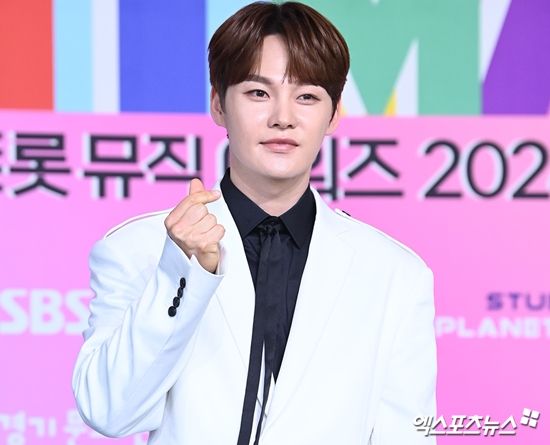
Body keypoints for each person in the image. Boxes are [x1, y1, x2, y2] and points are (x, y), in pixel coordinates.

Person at [72, 2, 437, 444]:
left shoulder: (395, 273)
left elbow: (407, 434)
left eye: (307, 97)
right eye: (258, 93)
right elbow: (109, 412)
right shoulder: (138, 248)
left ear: (334, 114)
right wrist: (182, 271)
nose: (283, 117)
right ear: (218, 104)